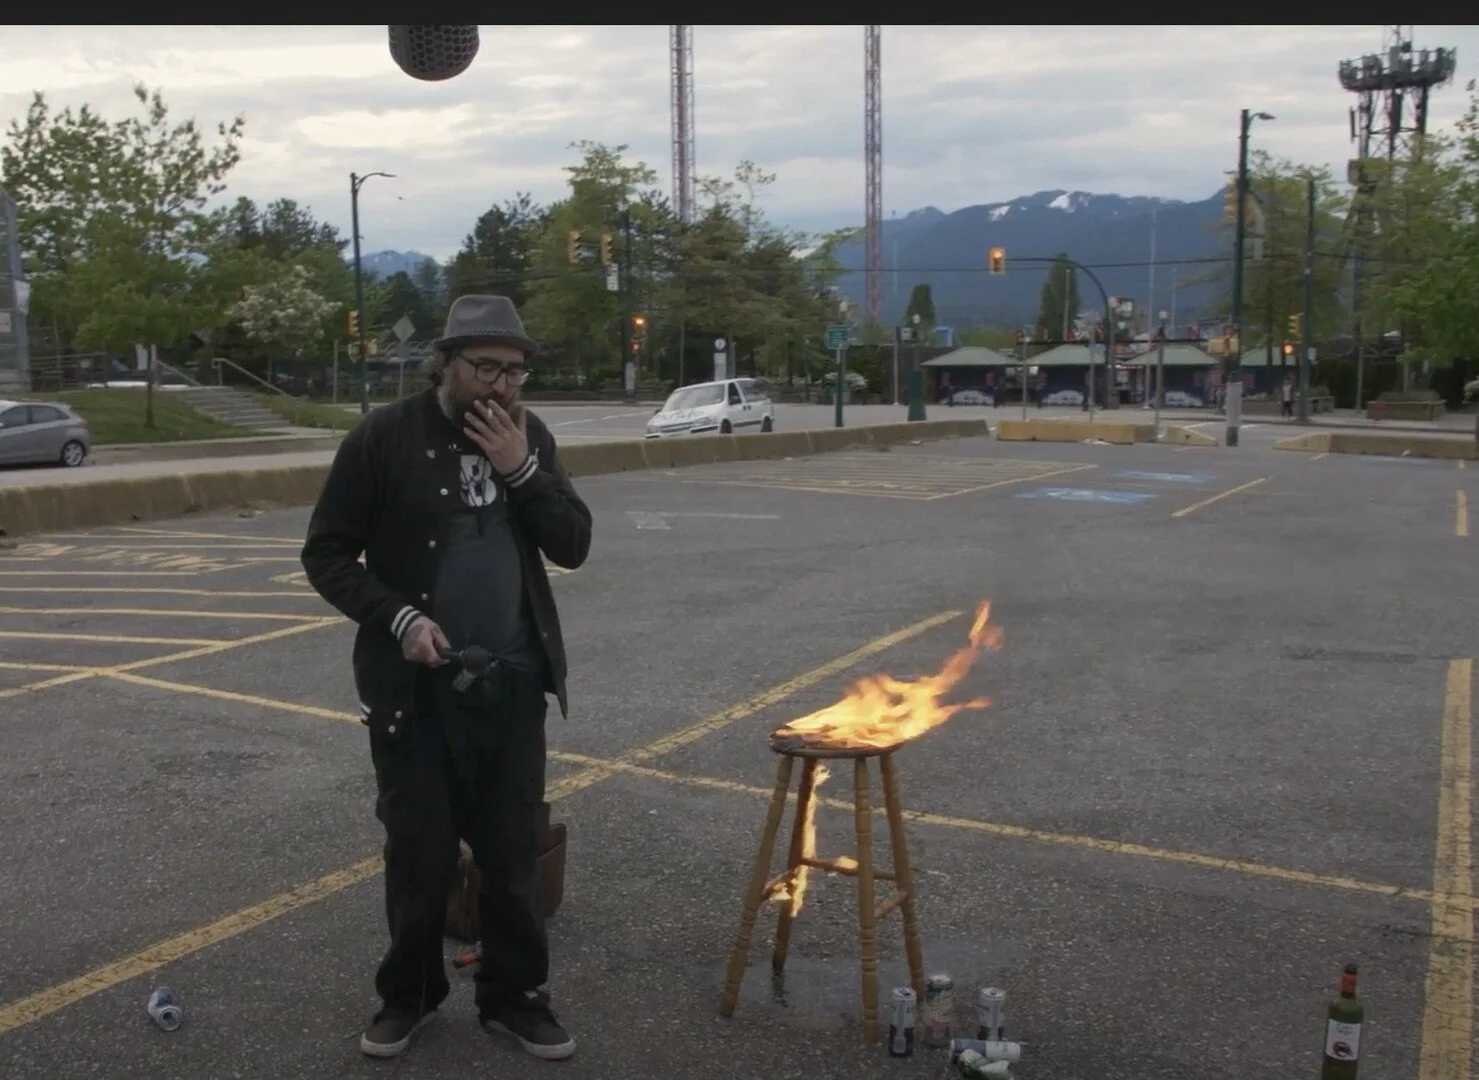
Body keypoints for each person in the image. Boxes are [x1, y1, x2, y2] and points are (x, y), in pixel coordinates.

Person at [300, 293, 592, 1062]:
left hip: (512, 684)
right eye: (485, 368)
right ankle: (409, 995)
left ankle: (513, 997)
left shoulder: (531, 437)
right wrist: (397, 618)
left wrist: (520, 469)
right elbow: (325, 552)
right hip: (416, 693)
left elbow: (573, 544)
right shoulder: (384, 438)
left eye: (514, 372)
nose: (501, 386)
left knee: (511, 854)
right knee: (419, 854)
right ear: (445, 364)